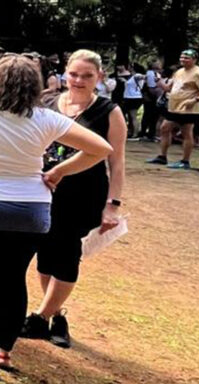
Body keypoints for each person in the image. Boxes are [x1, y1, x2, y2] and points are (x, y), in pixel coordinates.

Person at [0, 54, 112, 378]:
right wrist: (59, 171)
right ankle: (5, 353)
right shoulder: (45, 119)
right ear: (34, 85)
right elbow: (100, 148)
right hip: (31, 211)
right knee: (13, 279)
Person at [22, 49, 126, 348]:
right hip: (43, 190)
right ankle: (57, 316)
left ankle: (40, 318)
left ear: (100, 77)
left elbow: (116, 162)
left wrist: (113, 204)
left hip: (83, 194)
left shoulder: (108, 111)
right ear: (65, 73)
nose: (79, 81)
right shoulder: (47, 102)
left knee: (67, 255)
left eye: (87, 76)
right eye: (74, 74)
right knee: (44, 256)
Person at [150, 49, 199, 170]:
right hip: (174, 107)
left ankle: (185, 161)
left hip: (188, 108)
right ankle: (162, 157)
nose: (183, 59)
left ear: (194, 60)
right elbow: (169, 88)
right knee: (164, 128)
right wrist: (159, 82)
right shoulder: (179, 71)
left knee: (186, 132)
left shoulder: (198, 73)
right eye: (182, 57)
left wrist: (196, 100)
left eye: (186, 58)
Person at [120, 63, 143, 139]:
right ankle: (131, 131)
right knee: (129, 116)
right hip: (128, 97)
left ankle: (135, 134)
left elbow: (142, 77)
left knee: (133, 116)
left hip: (134, 98)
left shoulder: (137, 75)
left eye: (130, 67)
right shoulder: (131, 76)